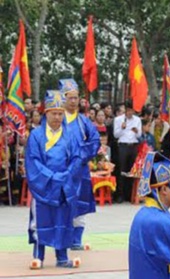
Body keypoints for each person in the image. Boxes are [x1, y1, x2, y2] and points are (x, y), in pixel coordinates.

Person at [26, 90, 82, 269]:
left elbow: (76, 158)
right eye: (54, 113)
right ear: (46, 114)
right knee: (41, 220)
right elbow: (33, 161)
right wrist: (52, 177)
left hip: (64, 186)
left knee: (63, 220)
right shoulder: (36, 135)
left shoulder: (70, 135)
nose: (57, 117)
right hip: (44, 186)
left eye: (60, 113)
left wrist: (66, 176)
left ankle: (62, 257)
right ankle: (38, 257)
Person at [59, 79, 100, 251]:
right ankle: (61, 239)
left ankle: (76, 240)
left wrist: (80, 156)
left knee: (80, 205)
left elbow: (95, 140)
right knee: (60, 204)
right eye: (70, 98)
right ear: (63, 99)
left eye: (76, 98)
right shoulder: (56, 118)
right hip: (60, 170)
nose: (74, 101)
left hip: (80, 170)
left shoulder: (84, 121)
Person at [113, 100, 142, 203]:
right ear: (125, 110)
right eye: (128, 110)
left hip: (133, 145)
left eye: (132, 111)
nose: (130, 113)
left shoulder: (137, 120)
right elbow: (116, 135)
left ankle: (129, 194)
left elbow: (139, 136)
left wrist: (136, 131)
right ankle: (120, 194)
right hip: (123, 146)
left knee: (131, 171)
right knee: (122, 170)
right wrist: (122, 128)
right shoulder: (118, 119)